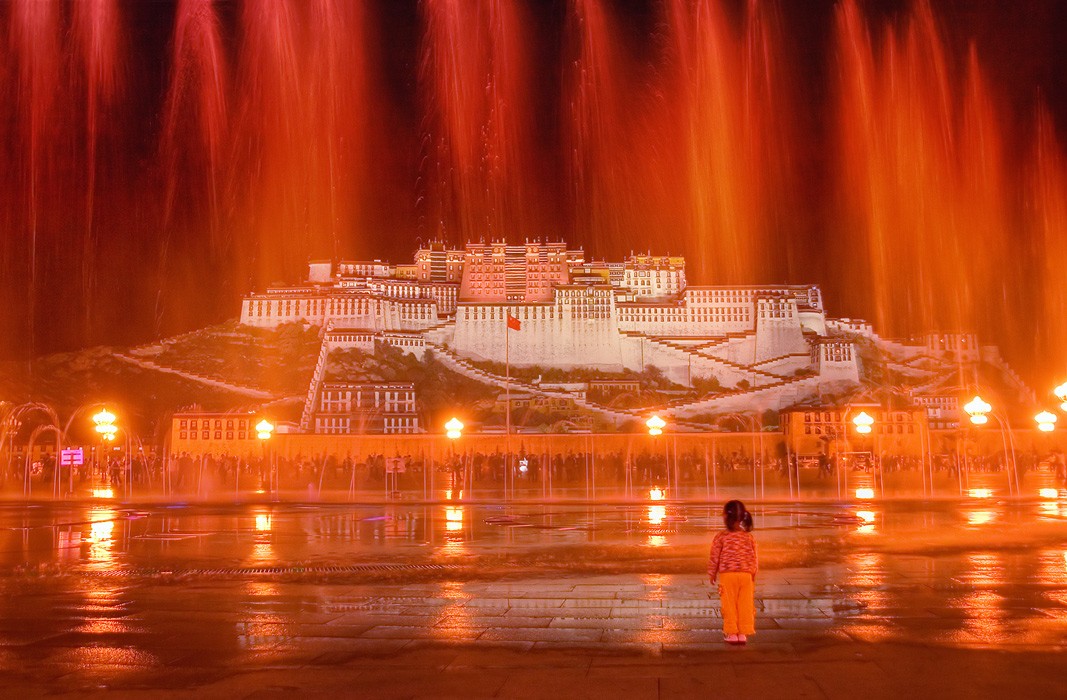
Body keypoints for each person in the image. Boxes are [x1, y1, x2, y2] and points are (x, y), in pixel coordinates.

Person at [707, 499, 758, 644]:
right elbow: (754, 556)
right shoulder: (748, 537)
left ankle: (731, 633)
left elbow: (714, 556)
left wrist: (712, 573)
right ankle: (743, 633)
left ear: (725, 517)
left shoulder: (721, 536)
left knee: (729, 604)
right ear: (742, 517)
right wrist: (753, 573)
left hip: (728, 575)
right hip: (746, 575)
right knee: (745, 604)